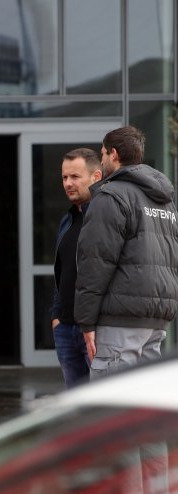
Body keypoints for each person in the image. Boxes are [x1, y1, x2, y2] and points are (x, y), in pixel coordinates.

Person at [75, 126, 178, 377]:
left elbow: (95, 262)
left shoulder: (111, 195)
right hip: (155, 320)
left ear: (113, 154)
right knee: (141, 404)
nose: (101, 160)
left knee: (110, 404)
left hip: (120, 320)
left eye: (102, 154)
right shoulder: (164, 200)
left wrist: (86, 321)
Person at [49, 148, 101, 389]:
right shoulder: (67, 219)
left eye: (75, 177)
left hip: (94, 330)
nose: (68, 183)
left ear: (96, 177)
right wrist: (56, 315)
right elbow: (62, 270)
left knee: (100, 405)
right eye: (64, 177)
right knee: (77, 408)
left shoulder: (104, 218)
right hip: (66, 328)